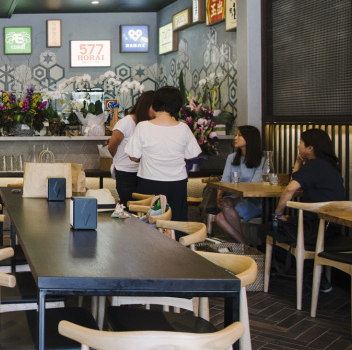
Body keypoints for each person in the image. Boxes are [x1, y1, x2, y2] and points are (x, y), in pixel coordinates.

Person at [125, 86, 201, 221]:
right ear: (178, 106)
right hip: (177, 184)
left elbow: (134, 157)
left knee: (150, 224)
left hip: (149, 182)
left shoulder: (143, 127)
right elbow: (192, 154)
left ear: (154, 105)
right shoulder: (183, 128)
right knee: (175, 221)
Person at [273, 128, 346, 247]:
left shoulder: (314, 164)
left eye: (300, 142)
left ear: (310, 148)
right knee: (288, 221)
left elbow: (290, 189)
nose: (298, 146)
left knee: (265, 229)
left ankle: (298, 259)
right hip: (332, 227)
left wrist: (278, 214)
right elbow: (294, 182)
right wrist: (298, 162)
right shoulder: (329, 165)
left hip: (315, 229)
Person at [214, 125, 266, 244]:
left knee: (220, 217)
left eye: (239, 135)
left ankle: (243, 245)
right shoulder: (231, 157)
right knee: (222, 213)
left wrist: (235, 200)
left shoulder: (261, 160)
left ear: (250, 139)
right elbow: (224, 180)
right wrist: (219, 198)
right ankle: (245, 245)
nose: (235, 138)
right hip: (233, 199)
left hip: (253, 201)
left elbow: (254, 186)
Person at [107, 90, 155, 205]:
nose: (156, 112)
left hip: (143, 172)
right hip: (126, 173)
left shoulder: (148, 124)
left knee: (143, 208)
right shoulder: (126, 122)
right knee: (130, 207)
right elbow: (111, 146)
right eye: (154, 108)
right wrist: (121, 159)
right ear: (146, 106)